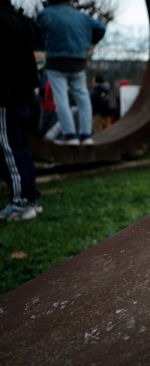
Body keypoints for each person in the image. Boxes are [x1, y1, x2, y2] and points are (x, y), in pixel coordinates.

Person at [36, 0, 106, 145]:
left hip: (56, 60)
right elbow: (100, 28)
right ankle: (86, 136)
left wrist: (46, 44)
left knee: (61, 99)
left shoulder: (45, 14)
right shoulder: (81, 16)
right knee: (83, 97)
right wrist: (87, 41)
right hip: (78, 59)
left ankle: (70, 136)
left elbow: (37, 35)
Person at [0, 0, 42, 220]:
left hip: (7, 96)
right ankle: (30, 197)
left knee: (10, 149)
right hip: (24, 95)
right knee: (22, 149)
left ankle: (21, 202)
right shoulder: (21, 20)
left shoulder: (3, 20)